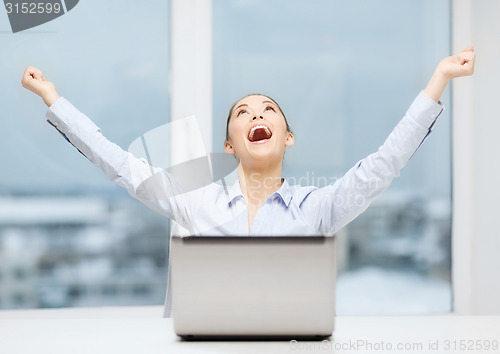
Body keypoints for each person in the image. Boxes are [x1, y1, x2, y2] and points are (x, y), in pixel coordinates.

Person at [21, 47, 475, 317]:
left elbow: (384, 164)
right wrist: (52, 99)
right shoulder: (193, 201)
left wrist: (439, 79)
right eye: (243, 112)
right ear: (231, 145)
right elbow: (120, 163)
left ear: (287, 137)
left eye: (268, 110)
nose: (257, 114)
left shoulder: (318, 208)